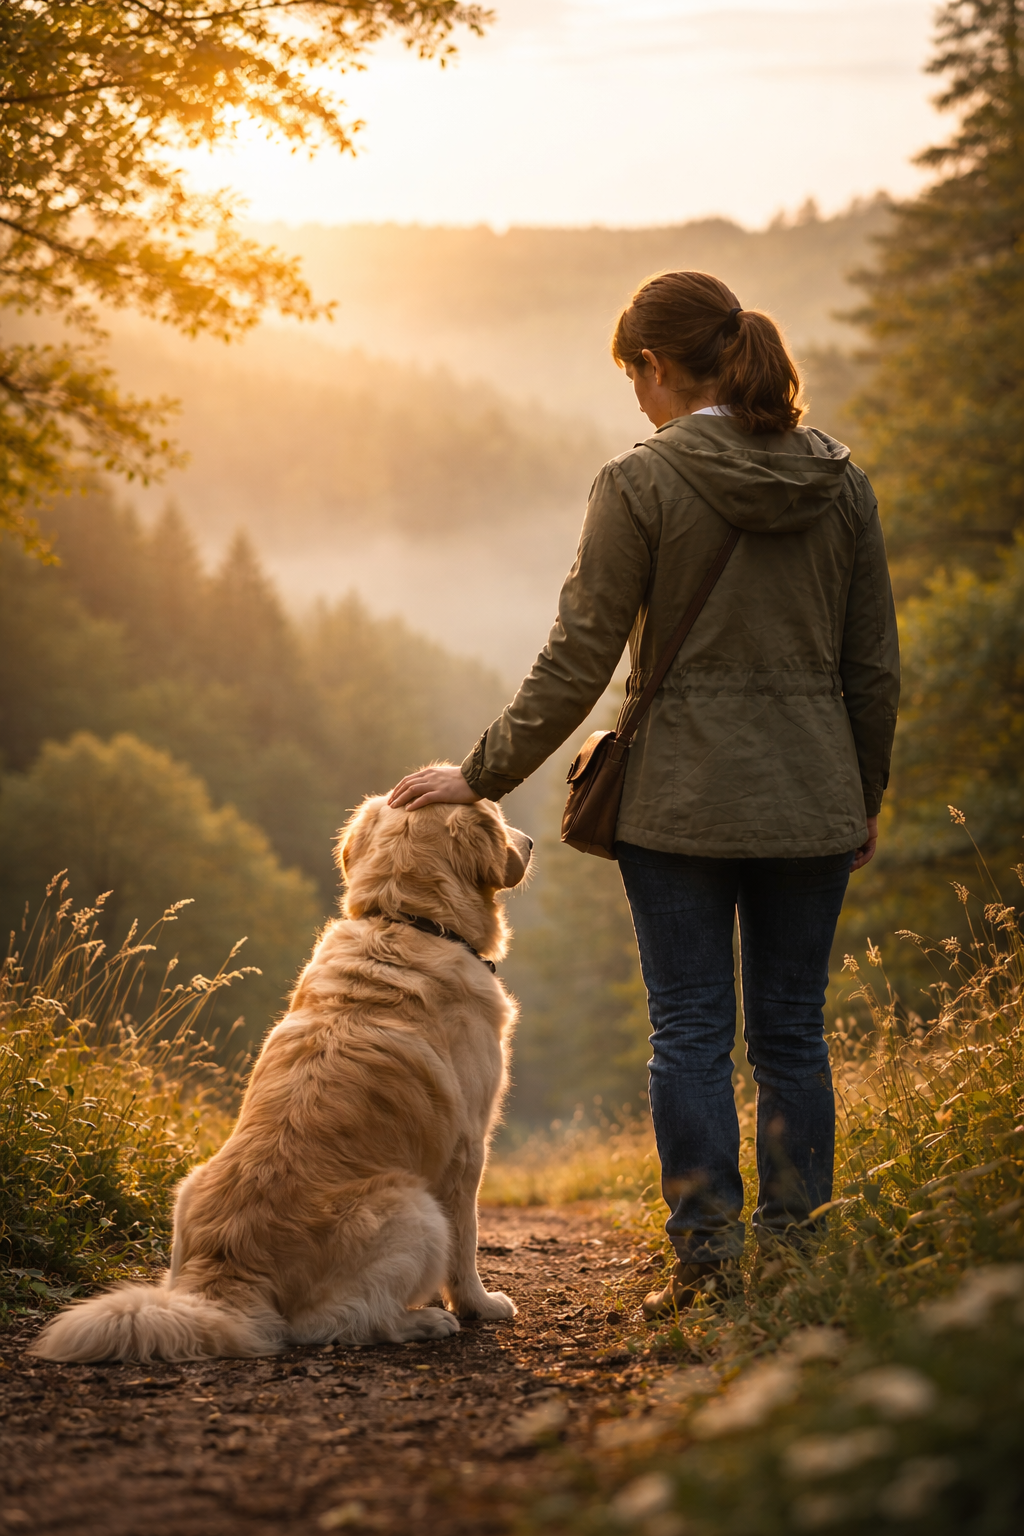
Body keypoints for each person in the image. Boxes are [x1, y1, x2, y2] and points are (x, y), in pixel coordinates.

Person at [389, 270, 899, 1316]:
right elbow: (873, 667)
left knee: (690, 1030)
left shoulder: (638, 483)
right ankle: (798, 1259)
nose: (635, 400)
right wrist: (863, 791)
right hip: (813, 793)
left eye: (634, 377)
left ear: (656, 368)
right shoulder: (839, 482)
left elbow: (577, 658)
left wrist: (478, 774)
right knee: (793, 1033)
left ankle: (707, 1262)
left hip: (677, 801)